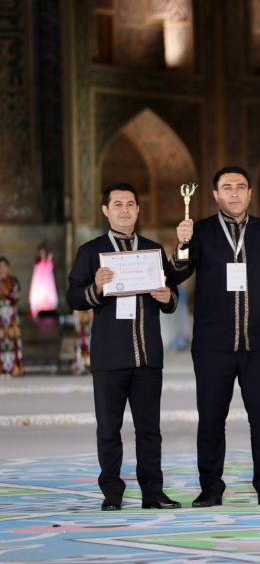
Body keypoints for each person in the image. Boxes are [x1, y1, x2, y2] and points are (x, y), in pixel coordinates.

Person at [169, 166, 260, 507]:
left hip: (259, 342)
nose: (234, 193)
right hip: (212, 345)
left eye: (240, 187)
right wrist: (182, 243)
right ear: (215, 195)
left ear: (250, 193)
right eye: (227, 188)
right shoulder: (201, 231)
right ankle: (210, 488)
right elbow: (176, 274)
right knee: (210, 419)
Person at [65, 183, 180, 511]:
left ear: (138, 209)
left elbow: (170, 294)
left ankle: (153, 493)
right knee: (109, 430)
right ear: (106, 210)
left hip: (147, 355)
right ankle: (112, 494)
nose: (125, 209)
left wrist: (166, 297)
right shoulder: (91, 251)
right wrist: (95, 287)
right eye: (118, 204)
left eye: (131, 203)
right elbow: (73, 297)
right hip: (109, 356)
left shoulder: (153, 250)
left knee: (149, 430)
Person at [0, 257, 25, 377]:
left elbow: (17, 295)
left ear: (7, 267)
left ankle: (14, 367)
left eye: (4, 266)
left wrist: (7, 294)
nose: (1, 268)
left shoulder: (12, 281)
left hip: (10, 316)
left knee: (12, 341)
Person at [29, 244, 59, 318]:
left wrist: (48, 259)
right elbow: (37, 270)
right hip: (39, 282)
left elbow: (50, 267)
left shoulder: (48, 260)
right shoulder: (37, 261)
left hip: (47, 281)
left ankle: (49, 310)